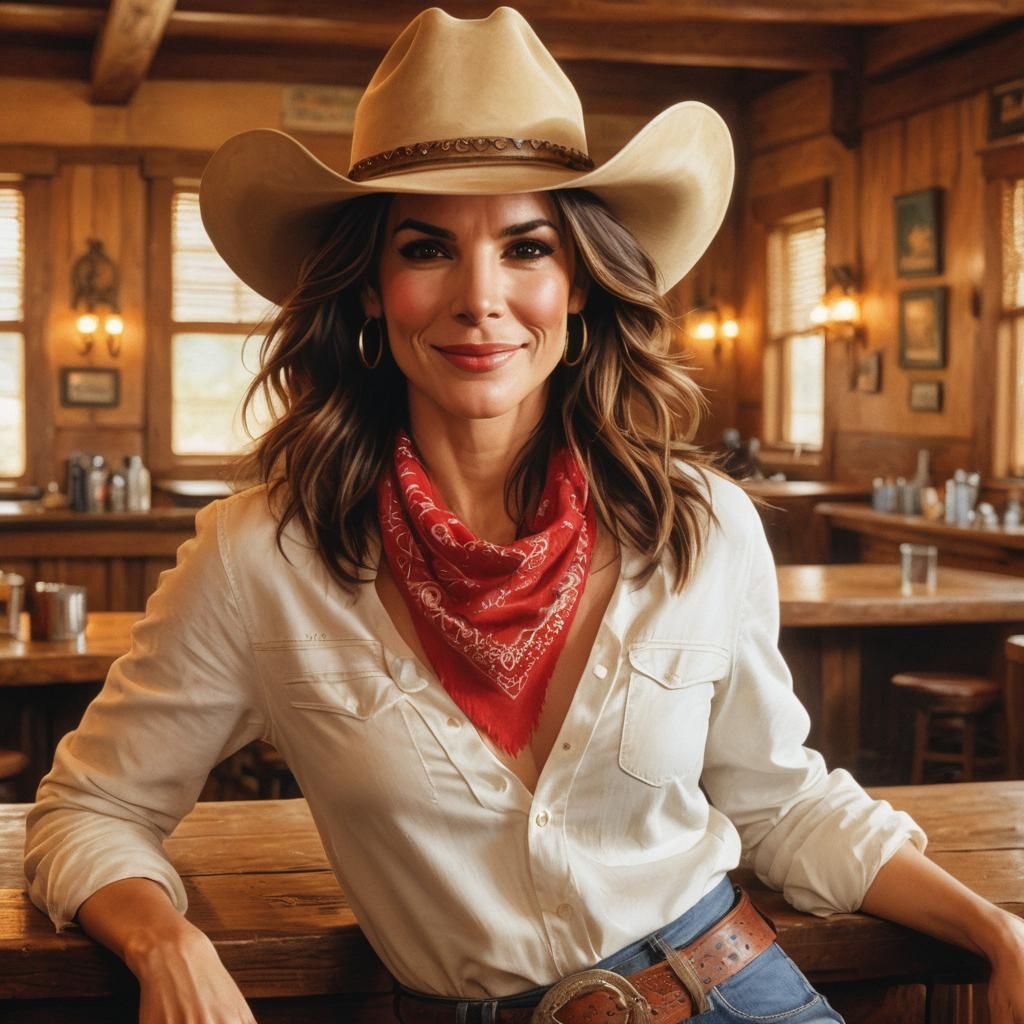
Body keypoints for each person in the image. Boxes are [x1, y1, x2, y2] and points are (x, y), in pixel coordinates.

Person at [23, 8, 1024, 1024]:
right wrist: (164, 939)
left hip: (737, 993)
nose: (480, 297)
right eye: (427, 248)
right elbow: (89, 809)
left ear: (579, 282)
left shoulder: (702, 523)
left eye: (525, 246)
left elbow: (779, 797)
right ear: (369, 289)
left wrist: (996, 929)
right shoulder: (257, 556)